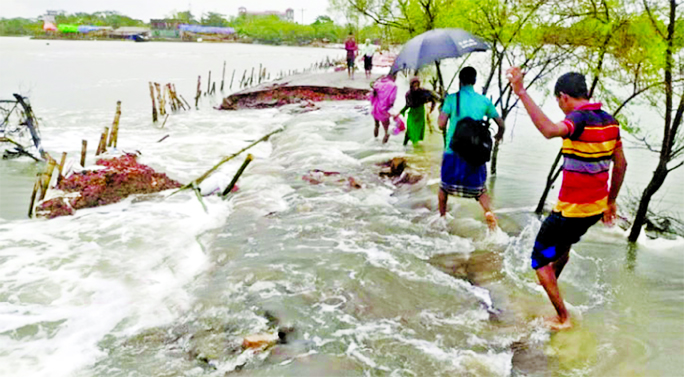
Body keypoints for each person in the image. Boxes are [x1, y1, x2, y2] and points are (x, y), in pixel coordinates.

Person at [506, 67, 627, 331]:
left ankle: (563, 317)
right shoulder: (610, 122)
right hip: (593, 210)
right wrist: (611, 201)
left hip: (570, 212)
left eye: (559, 103)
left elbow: (549, 130)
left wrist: (521, 91)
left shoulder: (578, 119)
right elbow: (621, 164)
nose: (561, 108)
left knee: (539, 259)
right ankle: (552, 280)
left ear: (563, 97)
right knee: (561, 248)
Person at [437, 67, 505, 229]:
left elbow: (441, 124)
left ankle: (442, 219)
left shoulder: (452, 99)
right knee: (481, 191)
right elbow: (500, 123)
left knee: (443, 190)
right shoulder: (484, 101)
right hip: (475, 154)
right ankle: (490, 217)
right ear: (474, 81)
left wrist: (443, 109)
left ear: (460, 81)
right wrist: (499, 135)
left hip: (453, 152)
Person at [399, 77, 437, 146]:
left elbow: (433, 97)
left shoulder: (423, 92)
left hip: (420, 112)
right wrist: (401, 112)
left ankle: (414, 148)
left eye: (417, 85)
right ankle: (405, 146)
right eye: (414, 85)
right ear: (411, 85)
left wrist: (432, 107)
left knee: (417, 131)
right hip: (412, 113)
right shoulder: (408, 94)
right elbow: (407, 105)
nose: (415, 87)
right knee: (410, 129)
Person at [370, 72, 398, 143]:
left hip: (375, 108)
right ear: (394, 77)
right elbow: (392, 99)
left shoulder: (377, 83)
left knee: (376, 125)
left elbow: (371, 95)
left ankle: (375, 140)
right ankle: (382, 148)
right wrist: (391, 108)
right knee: (387, 131)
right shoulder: (393, 86)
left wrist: (373, 104)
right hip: (384, 110)